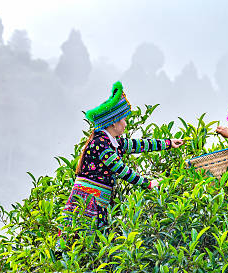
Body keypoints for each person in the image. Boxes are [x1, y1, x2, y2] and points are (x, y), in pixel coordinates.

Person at [62, 81, 185, 233]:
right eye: (123, 119)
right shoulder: (100, 143)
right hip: (87, 202)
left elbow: (138, 145)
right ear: (113, 123)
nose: (126, 124)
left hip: (98, 202)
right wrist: (148, 183)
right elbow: (121, 170)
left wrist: (168, 143)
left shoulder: (111, 141)